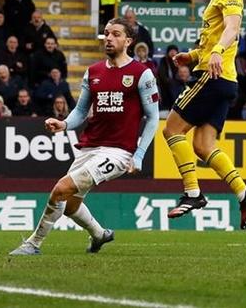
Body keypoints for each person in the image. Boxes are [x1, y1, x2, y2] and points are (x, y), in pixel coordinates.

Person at [10, 17, 159, 255]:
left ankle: (33, 244)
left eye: (116, 34)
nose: (109, 38)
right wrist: (64, 123)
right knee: (70, 204)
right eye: (107, 33)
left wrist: (139, 154)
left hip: (118, 152)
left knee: (60, 189)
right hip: (89, 147)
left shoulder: (142, 74)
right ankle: (100, 235)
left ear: (128, 41)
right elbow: (80, 111)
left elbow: (152, 118)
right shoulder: (93, 72)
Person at [162, 0, 246, 229]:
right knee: (204, 146)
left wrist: (214, 52)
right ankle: (245, 194)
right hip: (225, 80)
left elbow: (232, 28)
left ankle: (192, 193)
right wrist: (191, 55)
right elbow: (217, 39)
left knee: (171, 129)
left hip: (211, 76)